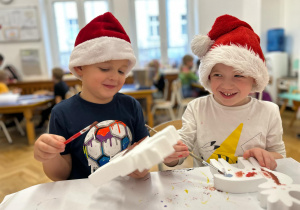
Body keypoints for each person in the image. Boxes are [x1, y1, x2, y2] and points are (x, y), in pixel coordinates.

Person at [33, 12, 149, 181]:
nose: (115, 77)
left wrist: (142, 165)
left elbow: (145, 151)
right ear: (79, 68)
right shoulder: (62, 113)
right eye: (104, 68)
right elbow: (60, 176)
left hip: (128, 192)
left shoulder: (131, 105)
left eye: (121, 71)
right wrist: (49, 155)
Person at [163, 14, 286, 170]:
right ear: (208, 76)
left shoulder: (269, 112)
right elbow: (180, 151)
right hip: (207, 188)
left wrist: (267, 156)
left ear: (254, 79)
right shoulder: (197, 108)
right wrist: (171, 156)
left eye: (238, 75)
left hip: (252, 187)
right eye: (218, 75)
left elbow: (280, 156)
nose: (227, 85)